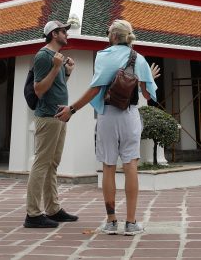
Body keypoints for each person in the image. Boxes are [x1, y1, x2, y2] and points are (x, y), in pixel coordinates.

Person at [57, 20, 159, 236]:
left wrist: (72, 109)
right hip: (130, 116)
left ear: (113, 36)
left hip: (108, 115)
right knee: (131, 165)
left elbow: (95, 89)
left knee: (109, 166)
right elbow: (148, 95)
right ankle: (131, 223)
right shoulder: (139, 59)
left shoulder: (104, 56)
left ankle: (111, 221)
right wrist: (146, 78)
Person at [24, 20, 80, 228]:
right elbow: (39, 89)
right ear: (54, 34)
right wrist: (57, 68)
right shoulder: (43, 56)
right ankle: (33, 213)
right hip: (47, 117)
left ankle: (53, 208)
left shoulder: (56, 58)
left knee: (52, 164)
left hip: (58, 116)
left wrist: (66, 72)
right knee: (41, 163)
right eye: (63, 31)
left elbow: (56, 87)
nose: (67, 34)